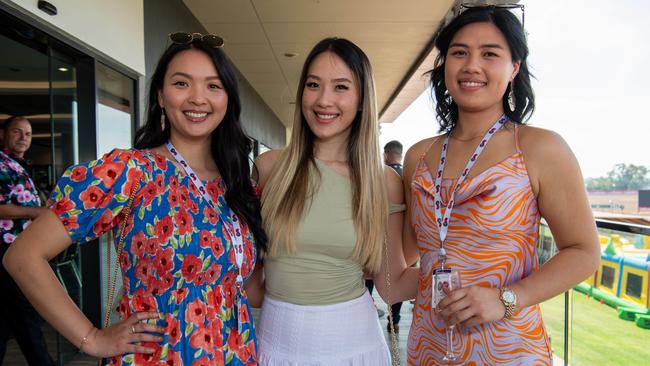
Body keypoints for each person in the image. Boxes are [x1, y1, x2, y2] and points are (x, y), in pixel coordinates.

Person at [3, 33, 267, 365]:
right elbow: (23, 257)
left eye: (213, 86)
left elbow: (253, 288)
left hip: (234, 352)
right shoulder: (130, 171)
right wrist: (92, 338)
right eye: (182, 83)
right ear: (160, 94)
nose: (198, 98)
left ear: (228, 98)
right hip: (160, 356)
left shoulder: (237, 184)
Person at [401, 6, 600, 365]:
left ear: (514, 68)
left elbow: (583, 251)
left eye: (489, 54)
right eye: (459, 52)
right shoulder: (419, 156)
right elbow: (406, 253)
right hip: (428, 347)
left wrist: (506, 298)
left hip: (510, 349)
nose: (471, 65)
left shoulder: (540, 148)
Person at [252, 37, 415, 365]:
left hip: (353, 347)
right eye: (313, 85)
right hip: (271, 344)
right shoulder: (269, 167)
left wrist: (466, 272)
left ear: (361, 100)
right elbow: (247, 275)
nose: (323, 100)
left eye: (341, 87)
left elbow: (390, 284)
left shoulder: (382, 182)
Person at [0, 116, 55, 365]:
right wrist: (36, 212)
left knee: (8, 318)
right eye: (17, 132)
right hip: (7, 250)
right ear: (3, 134)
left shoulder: (17, 164)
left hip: (20, 248)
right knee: (25, 312)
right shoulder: (1, 164)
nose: (24, 138)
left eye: (29, 134)